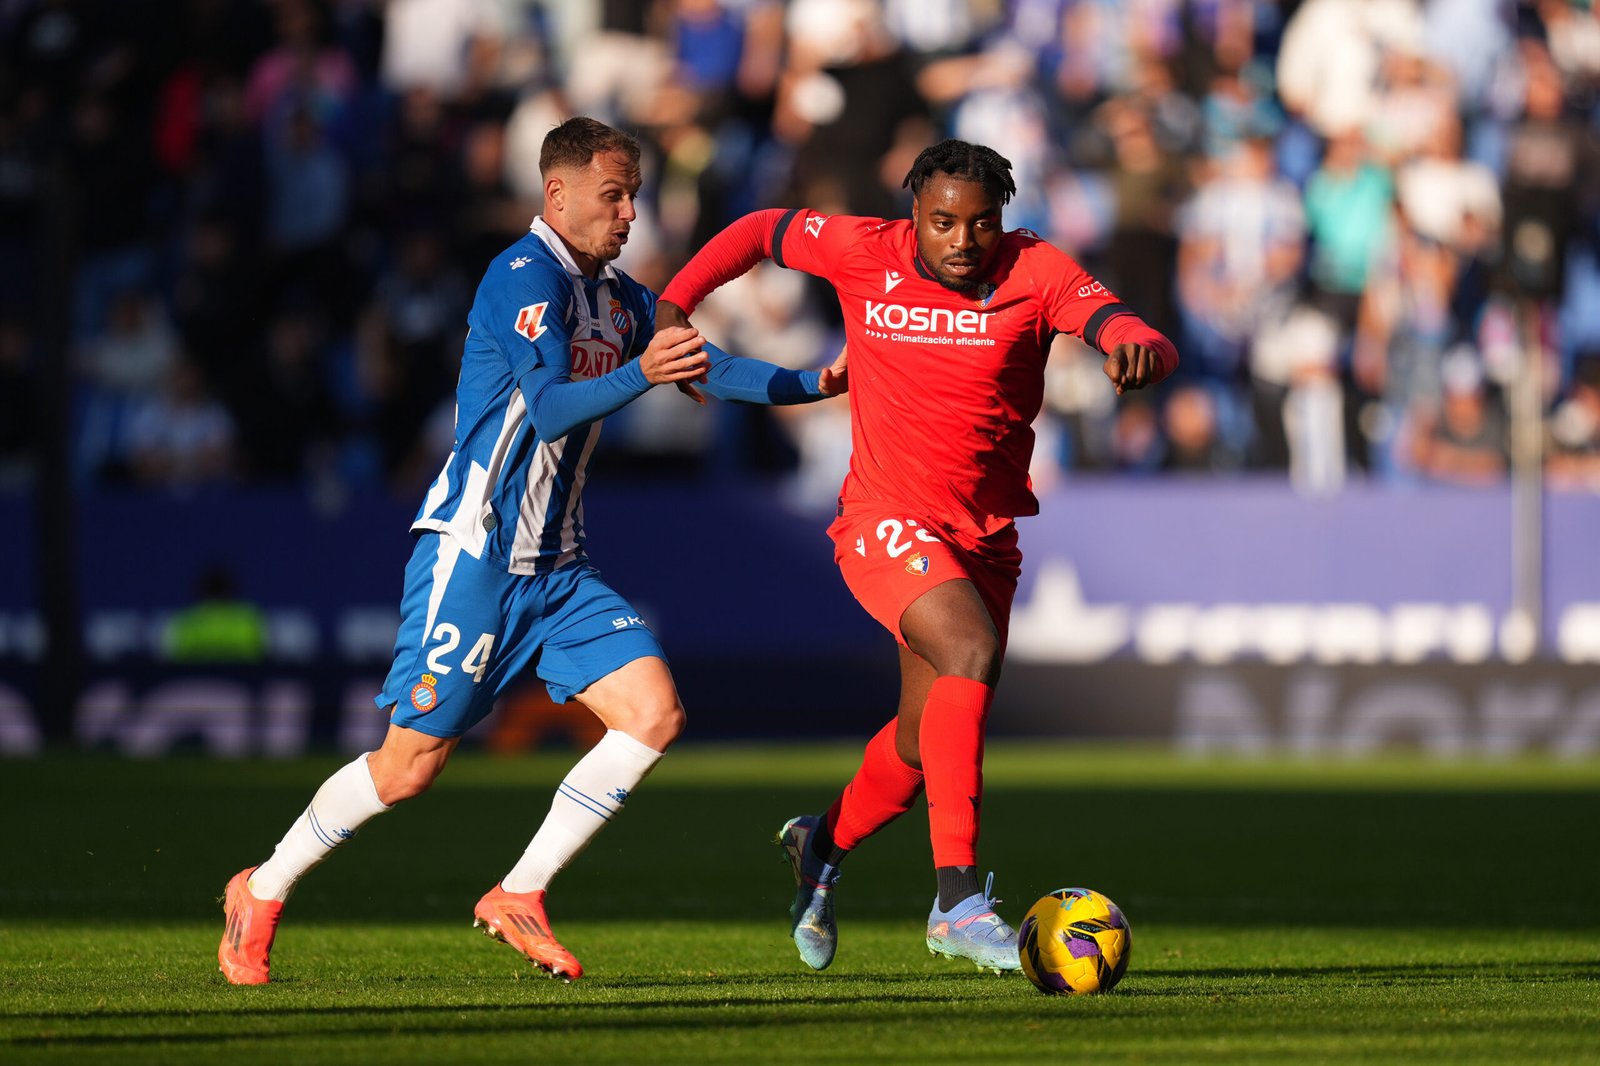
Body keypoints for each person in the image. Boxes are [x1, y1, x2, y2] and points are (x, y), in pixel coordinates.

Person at [218, 117, 845, 986]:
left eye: (635, 195)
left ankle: (520, 890)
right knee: (407, 769)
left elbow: (707, 366)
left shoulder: (620, 298)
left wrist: (815, 383)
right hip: (475, 554)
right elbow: (550, 407)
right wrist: (644, 374)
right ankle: (263, 886)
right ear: (559, 194)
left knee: (654, 714)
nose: (629, 212)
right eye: (613, 194)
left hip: (558, 565)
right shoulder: (522, 275)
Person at [658, 139, 1176, 973]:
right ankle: (958, 902)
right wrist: (674, 304)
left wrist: (1136, 344)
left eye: (979, 223)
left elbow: (1119, 319)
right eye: (942, 222)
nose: (962, 240)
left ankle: (820, 846)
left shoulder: (1034, 270)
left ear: (1002, 221)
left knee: (915, 743)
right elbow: (759, 228)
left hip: (982, 537)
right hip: (883, 516)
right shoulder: (866, 252)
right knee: (968, 649)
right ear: (914, 216)